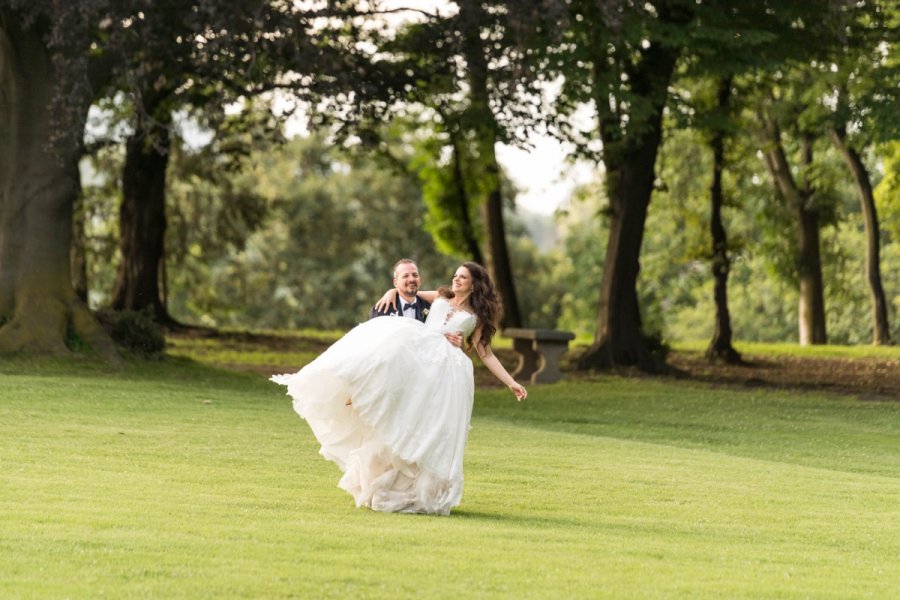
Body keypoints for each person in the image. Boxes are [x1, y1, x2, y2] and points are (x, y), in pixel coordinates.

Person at [271, 262, 527, 516]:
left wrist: (511, 382)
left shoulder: (477, 315)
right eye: (456, 276)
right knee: (399, 416)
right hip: (417, 356)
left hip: (443, 372)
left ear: (474, 284)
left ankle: (418, 490)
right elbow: (409, 293)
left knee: (427, 427)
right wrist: (390, 292)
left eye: (462, 278)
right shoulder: (441, 296)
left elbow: (485, 353)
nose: (456, 280)